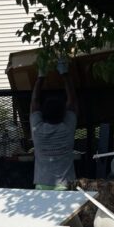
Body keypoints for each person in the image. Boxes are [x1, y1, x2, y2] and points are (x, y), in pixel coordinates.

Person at [30, 57, 78, 190]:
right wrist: (64, 73)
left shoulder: (37, 130)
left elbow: (34, 103)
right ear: (63, 114)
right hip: (66, 185)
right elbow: (72, 101)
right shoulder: (67, 128)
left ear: (43, 114)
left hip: (42, 185)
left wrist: (41, 76)